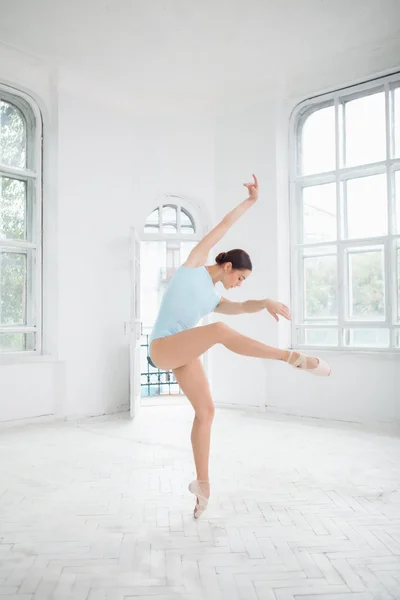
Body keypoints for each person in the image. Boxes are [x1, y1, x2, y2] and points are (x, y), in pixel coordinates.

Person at [149, 174, 331, 518]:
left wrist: (263, 301)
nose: (238, 285)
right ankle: (289, 357)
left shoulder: (212, 299)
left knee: (207, 412)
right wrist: (250, 201)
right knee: (218, 330)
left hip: (181, 352)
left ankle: (202, 487)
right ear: (227, 266)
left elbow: (241, 307)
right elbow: (222, 225)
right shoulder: (193, 267)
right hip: (162, 347)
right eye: (240, 278)